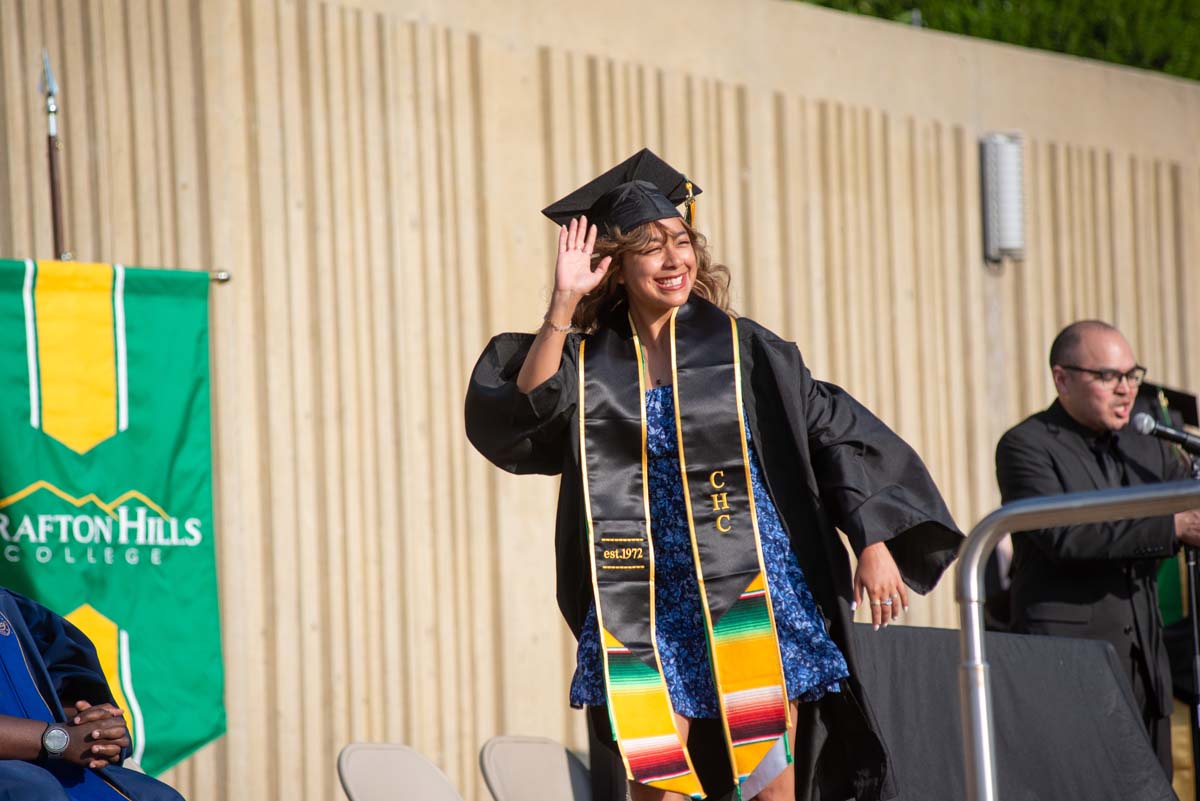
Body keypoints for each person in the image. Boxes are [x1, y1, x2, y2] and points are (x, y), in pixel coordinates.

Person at [465, 149, 962, 801]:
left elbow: (832, 430)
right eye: (651, 247)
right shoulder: (593, 364)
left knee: (766, 785)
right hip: (639, 598)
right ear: (614, 267)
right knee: (658, 783)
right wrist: (563, 301)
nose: (674, 259)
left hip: (743, 588)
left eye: (681, 241)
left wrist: (873, 536)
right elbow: (525, 410)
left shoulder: (742, 348)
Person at [995, 320, 1200, 778]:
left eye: (1132, 375)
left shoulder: (1147, 444)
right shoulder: (1025, 446)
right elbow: (1065, 536)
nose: (1126, 389)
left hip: (1146, 661)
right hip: (1068, 661)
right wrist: (1172, 526)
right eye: (1108, 376)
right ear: (1062, 378)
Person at [0, 586, 184, 801]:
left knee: (157, 796)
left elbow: (56, 689)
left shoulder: (13, 608)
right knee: (34, 791)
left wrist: (97, 732)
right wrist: (57, 740)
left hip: (53, 760)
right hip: (25, 773)